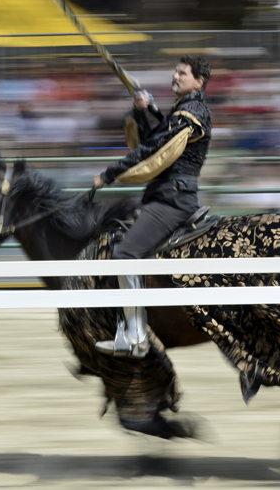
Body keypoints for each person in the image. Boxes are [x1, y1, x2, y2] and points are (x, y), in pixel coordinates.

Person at [92, 54, 212, 358]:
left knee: (124, 254)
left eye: (182, 73)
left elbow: (152, 150)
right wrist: (141, 111)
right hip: (165, 194)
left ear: (198, 81)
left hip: (172, 198)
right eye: (175, 71)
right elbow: (151, 141)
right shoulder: (183, 111)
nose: (175, 76)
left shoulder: (192, 112)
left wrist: (109, 174)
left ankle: (135, 337)